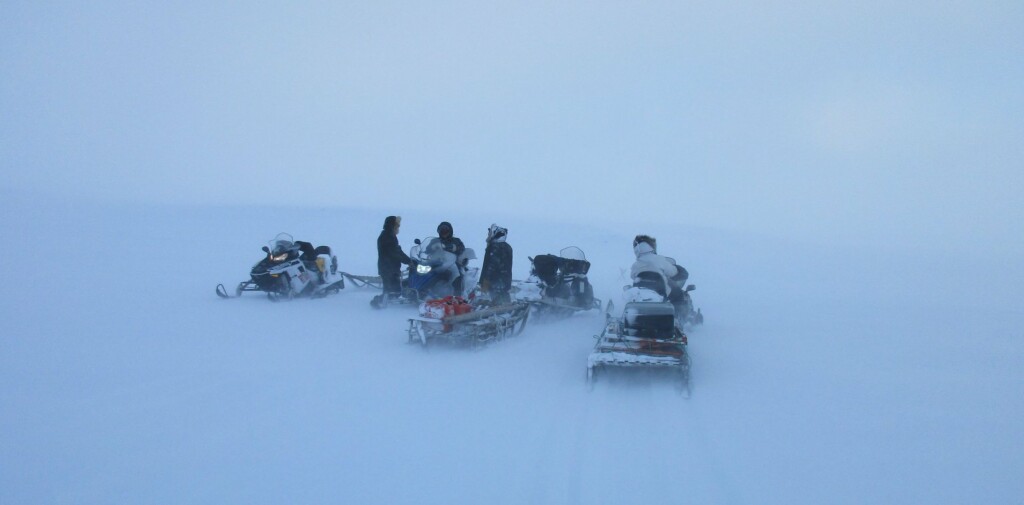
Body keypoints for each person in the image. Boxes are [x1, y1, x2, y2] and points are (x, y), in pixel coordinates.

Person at [630, 234, 689, 313]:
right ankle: (677, 318)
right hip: (660, 292)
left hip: (640, 295)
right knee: (678, 294)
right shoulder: (660, 260)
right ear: (652, 248)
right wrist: (679, 270)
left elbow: (632, 276)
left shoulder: (635, 265)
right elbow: (673, 272)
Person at [376, 216, 414, 302]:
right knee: (391, 291)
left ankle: (387, 303)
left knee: (395, 291)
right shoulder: (387, 236)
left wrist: (409, 260)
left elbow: (398, 250)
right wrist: (408, 261)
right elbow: (394, 253)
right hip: (388, 268)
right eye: (397, 225)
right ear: (392, 225)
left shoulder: (389, 235)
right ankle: (381, 303)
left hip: (391, 268)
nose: (398, 227)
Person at [479, 224, 513, 305]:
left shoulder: (495, 247)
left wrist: (486, 281)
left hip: (495, 282)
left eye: (489, 234)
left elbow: (491, 266)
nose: (488, 236)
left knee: (497, 304)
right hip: (505, 281)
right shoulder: (507, 247)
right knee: (504, 302)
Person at [436, 221, 466, 295]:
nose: (444, 232)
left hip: (452, 263)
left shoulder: (456, 241)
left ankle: (458, 295)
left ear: (450, 231)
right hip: (438, 263)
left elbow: (462, 248)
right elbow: (427, 250)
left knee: (456, 274)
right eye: (442, 230)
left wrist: (455, 248)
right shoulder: (435, 241)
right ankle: (423, 292)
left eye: (446, 230)